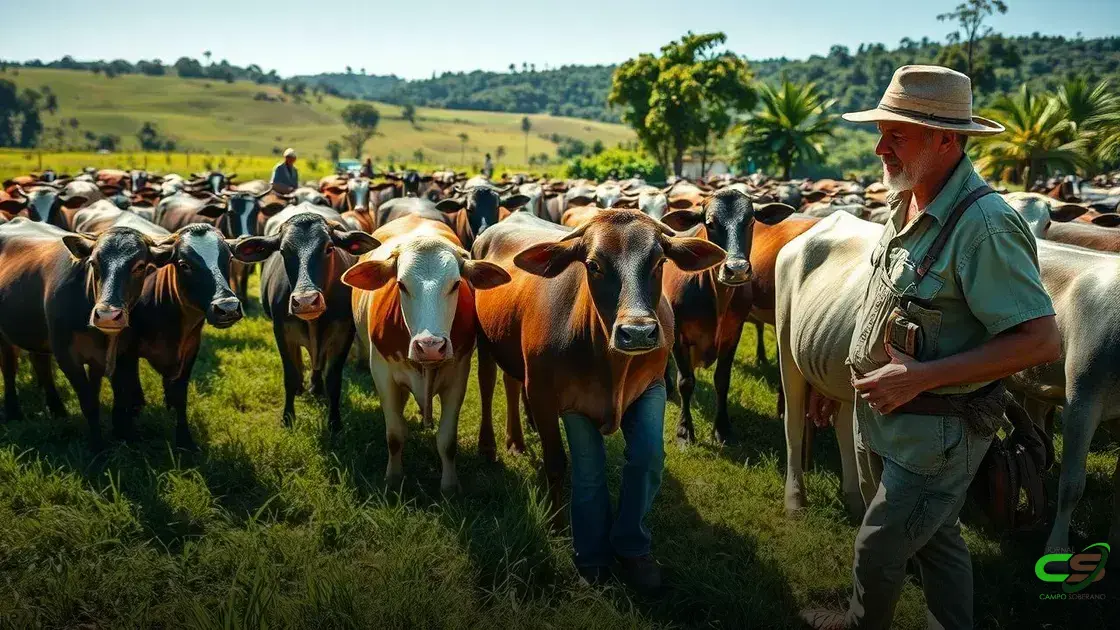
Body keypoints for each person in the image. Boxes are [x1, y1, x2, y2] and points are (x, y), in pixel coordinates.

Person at [799, 66, 1062, 630]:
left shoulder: (985, 226)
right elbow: (884, 304)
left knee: (877, 549)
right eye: (881, 133)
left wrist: (922, 376)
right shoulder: (908, 201)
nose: (880, 148)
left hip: (937, 435)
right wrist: (842, 380)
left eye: (896, 135)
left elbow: (1041, 340)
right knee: (938, 540)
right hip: (886, 417)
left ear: (945, 139)